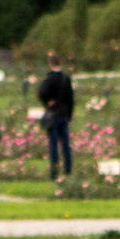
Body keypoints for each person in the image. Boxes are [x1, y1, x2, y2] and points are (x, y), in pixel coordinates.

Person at [37, 51, 74, 182]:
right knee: (66, 145)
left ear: (50, 63)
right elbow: (71, 99)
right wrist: (69, 114)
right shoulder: (66, 78)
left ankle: (54, 173)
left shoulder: (49, 79)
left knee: (53, 145)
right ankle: (68, 171)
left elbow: (41, 93)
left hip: (53, 115)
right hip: (64, 114)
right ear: (60, 63)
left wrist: (48, 103)